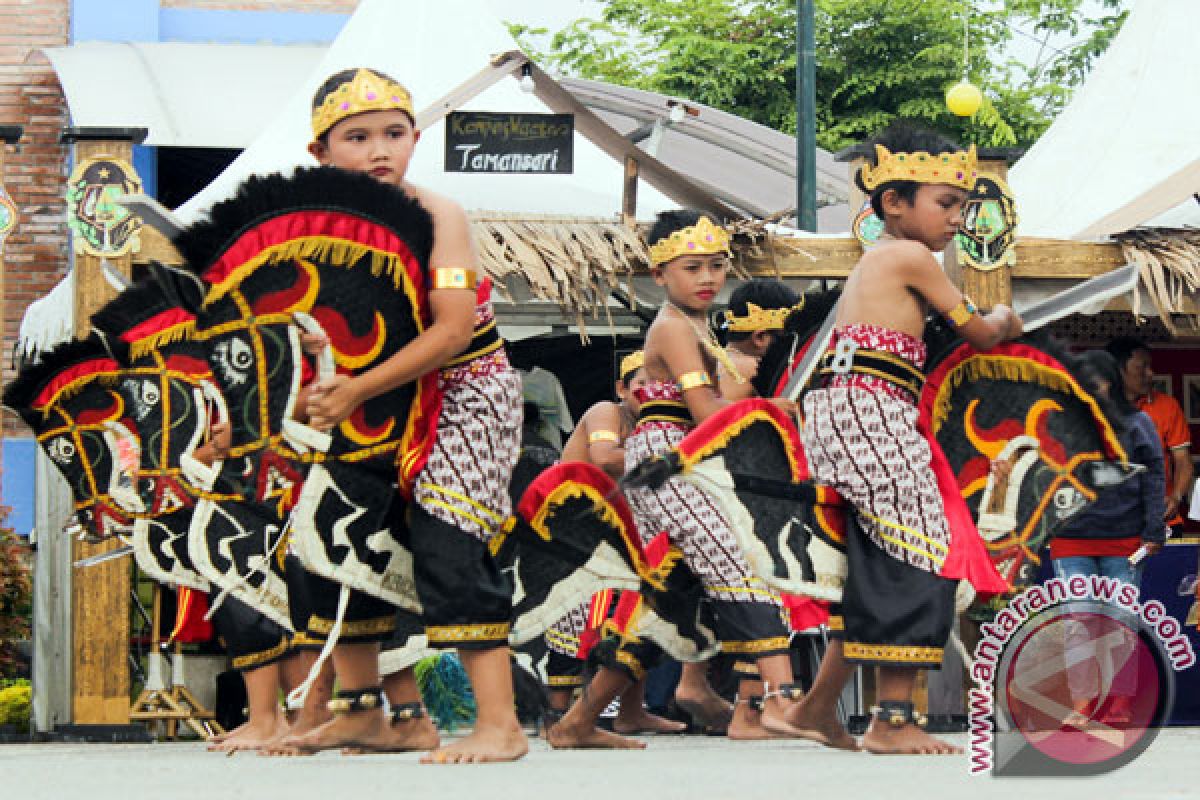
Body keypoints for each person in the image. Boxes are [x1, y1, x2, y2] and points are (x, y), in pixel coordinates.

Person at [280, 67, 527, 764]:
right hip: (378, 394)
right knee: (334, 538)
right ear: (321, 153)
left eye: (393, 133)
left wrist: (353, 392)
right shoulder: (309, 230)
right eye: (357, 137)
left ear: (415, 139)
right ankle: (364, 714)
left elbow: (450, 333)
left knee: (449, 543)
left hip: (465, 393)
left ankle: (500, 725)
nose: (379, 149)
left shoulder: (436, 214)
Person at [798, 123, 1022, 755]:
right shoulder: (909, 256)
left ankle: (818, 708)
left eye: (960, 206)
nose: (956, 218)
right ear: (895, 203)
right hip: (871, 413)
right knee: (922, 552)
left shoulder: (884, 260)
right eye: (946, 204)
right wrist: (1004, 317)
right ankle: (891, 718)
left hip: (859, 411)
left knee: (884, 561)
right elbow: (981, 332)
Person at [620, 210, 812, 742]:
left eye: (716, 266)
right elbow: (707, 414)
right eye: (692, 267)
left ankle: (731, 705)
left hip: (687, 461)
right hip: (668, 462)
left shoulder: (697, 326)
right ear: (659, 275)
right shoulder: (674, 328)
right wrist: (770, 409)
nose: (708, 278)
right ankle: (778, 702)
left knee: (682, 588)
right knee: (742, 566)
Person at [545, 351, 699, 748]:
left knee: (639, 611)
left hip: (612, 537)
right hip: (573, 537)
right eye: (640, 386)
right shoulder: (605, 412)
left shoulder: (654, 424)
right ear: (621, 389)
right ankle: (561, 712)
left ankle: (630, 712)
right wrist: (676, 455)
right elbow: (604, 458)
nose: (650, 394)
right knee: (593, 620)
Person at [1049, 350, 1165, 728]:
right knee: (1078, 621)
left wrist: (1152, 530)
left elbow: (1154, 476)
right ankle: (1083, 703)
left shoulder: (1138, 424)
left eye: (1095, 384)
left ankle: (1118, 704)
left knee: (1120, 622)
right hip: (1070, 540)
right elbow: (1043, 473)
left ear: (1110, 384)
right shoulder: (1060, 423)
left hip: (1125, 540)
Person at [1105, 337, 1193, 536]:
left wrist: (1176, 497)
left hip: (1161, 519)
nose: (1151, 373)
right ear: (1117, 370)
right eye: (1141, 368)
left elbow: (1183, 462)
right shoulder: (1095, 409)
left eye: (1150, 366)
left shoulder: (1167, 406)